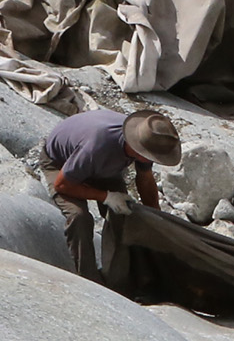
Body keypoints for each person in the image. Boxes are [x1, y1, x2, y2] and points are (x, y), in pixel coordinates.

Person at [40, 107, 182, 277]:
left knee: (125, 214)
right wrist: (106, 197)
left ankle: (121, 274)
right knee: (79, 217)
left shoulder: (145, 140)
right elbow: (62, 185)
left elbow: (144, 178)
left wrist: (156, 217)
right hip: (60, 163)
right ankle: (89, 278)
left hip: (101, 166)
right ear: (141, 151)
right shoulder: (98, 146)